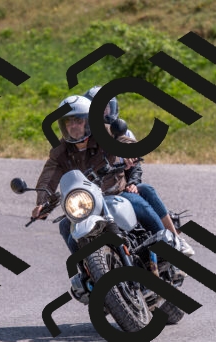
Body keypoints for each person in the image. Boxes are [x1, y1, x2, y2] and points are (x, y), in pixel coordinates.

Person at [31, 95, 188, 259]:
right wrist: (42, 202)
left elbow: (124, 140)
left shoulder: (104, 132)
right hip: (87, 204)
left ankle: (167, 245)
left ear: (88, 121)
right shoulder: (60, 151)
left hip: (116, 193)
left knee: (139, 203)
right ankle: (87, 268)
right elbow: (48, 178)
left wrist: (129, 152)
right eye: (68, 122)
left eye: (78, 121)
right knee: (65, 226)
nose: (73, 126)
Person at [83, 85, 195, 256]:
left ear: (112, 108)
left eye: (106, 108)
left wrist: (133, 182)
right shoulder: (81, 138)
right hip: (92, 197)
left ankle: (173, 239)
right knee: (66, 226)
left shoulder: (122, 131)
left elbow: (134, 162)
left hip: (119, 190)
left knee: (145, 191)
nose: (102, 113)